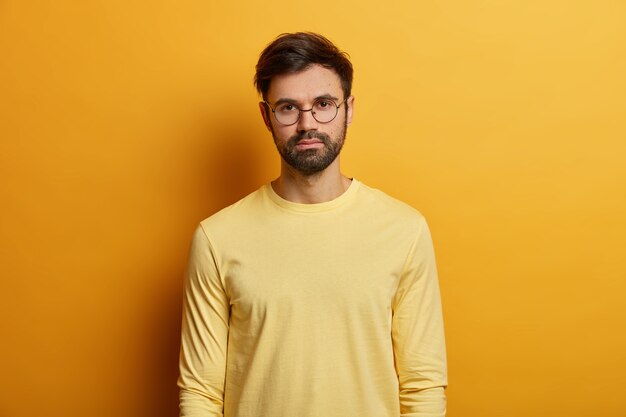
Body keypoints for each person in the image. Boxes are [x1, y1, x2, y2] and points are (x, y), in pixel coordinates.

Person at [178, 32, 448, 417]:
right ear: (266, 117)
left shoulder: (404, 230)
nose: (308, 123)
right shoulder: (217, 239)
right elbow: (200, 393)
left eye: (323, 104)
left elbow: (422, 384)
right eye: (288, 107)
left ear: (349, 108)